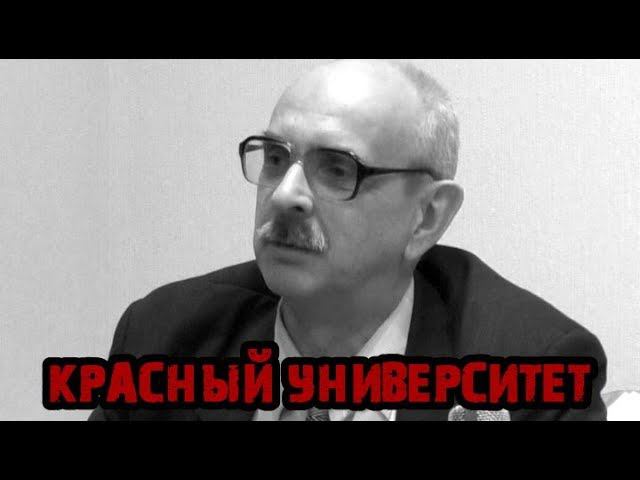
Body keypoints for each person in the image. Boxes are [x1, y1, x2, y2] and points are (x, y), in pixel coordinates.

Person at [89, 59, 607, 421]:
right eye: (275, 159)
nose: (285, 195)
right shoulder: (164, 339)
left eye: (337, 169)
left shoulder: (533, 370)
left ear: (426, 218)